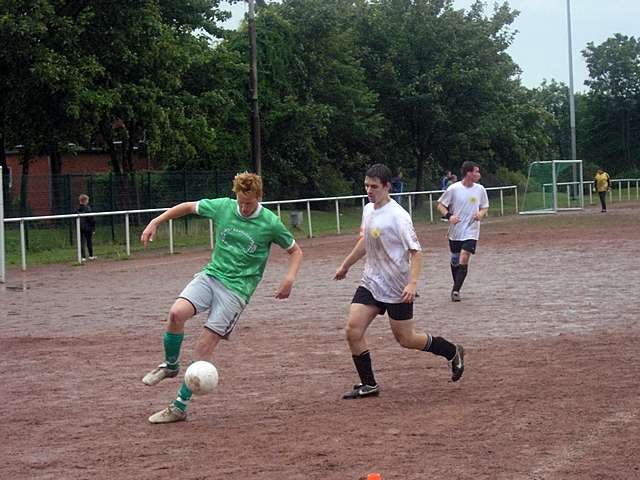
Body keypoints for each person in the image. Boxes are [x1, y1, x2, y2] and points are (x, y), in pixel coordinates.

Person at [140, 172, 303, 423]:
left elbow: (295, 251)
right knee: (176, 313)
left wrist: (289, 279)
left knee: (204, 346)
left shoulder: (270, 223)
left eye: (249, 202)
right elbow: (186, 207)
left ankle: (179, 406)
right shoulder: (224, 207)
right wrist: (156, 221)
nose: (244, 207)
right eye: (240, 201)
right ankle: (171, 365)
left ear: (259, 197)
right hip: (211, 276)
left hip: (236, 290)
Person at [334, 163, 464, 400]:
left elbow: (416, 252)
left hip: (397, 287)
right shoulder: (368, 210)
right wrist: (346, 265)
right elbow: (366, 241)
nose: (369, 190)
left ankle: (452, 351)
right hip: (372, 282)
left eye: (374, 186)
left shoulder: (399, 216)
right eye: (366, 185)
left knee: (406, 339)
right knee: (353, 329)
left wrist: (412, 284)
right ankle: (369, 384)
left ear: (387, 187)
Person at [437, 161, 489, 302]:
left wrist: (481, 214)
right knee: (455, 259)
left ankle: (455, 291)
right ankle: (457, 284)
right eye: (476, 171)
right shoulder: (454, 189)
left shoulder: (480, 189)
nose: (479, 174)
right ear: (468, 173)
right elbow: (441, 205)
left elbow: (484, 207)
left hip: (471, 230)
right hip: (455, 231)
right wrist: (449, 216)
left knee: (464, 256)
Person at [76, 194, 96, 261]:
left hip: (80, 227)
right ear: (86, 201)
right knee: (89, 241)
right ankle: (91, 255)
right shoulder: (88, 208)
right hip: (88, 227)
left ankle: (83, 257)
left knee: (81, 242)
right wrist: (93, 227)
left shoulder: (77, 209)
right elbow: (91, 218)